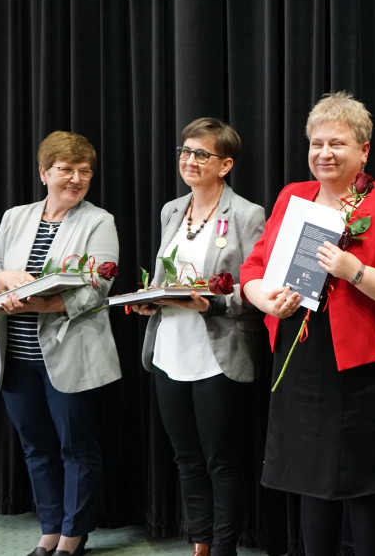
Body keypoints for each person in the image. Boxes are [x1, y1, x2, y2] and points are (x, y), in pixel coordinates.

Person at [238, 92, 375, 555]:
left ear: (364, 151)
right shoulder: (292, 195)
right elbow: (253, 269)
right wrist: (265, 300)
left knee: (364, 482)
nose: (324, 153)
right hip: (299, 355)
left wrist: (355, 271)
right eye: (317, 143)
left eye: (337, 144)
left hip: (363, 365)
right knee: (309, 476)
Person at [0, 131, 120, 556]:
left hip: (71, 354)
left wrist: (39, 303)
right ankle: (50, 530)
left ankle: (73, 536)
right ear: (44, 173)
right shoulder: (15, 217)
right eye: (65, 169)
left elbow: (98, 289)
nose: (76, 178)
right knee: (36, 448)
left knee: (77, 448)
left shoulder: (99, 221)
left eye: (84, 171)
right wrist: (5, 280)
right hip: (16, 357)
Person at [133, 118, 266, 556]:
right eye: (185, 152)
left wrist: (214, 304)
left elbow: (255, 288)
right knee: (186, 458)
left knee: (221, 461)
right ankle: (201, 543)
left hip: (218, 353)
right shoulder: (172, 210)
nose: (189, 161)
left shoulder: (247, 214)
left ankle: (224, 547)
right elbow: (164, 277)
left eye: (201, 154)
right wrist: (150, 300)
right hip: (170, 349)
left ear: (225, 165)